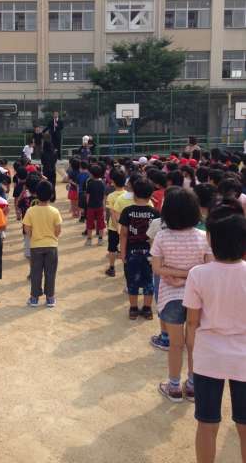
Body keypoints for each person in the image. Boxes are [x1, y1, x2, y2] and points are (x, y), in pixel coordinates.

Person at [184, 208, 246, 463]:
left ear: (210, 239)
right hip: (244, 358)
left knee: (207, 424)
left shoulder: (198, 274)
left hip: (209, 356)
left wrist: (192, 361)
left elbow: (192, 322)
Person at [151, 188, 213, 403]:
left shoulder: (162, 236)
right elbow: (208, 267)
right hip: (197, 297)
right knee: (194, 343)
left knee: (176, 344)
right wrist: (190, 276)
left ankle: (174, 386)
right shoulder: (203, 237)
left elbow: (157, 268)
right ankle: (194, 385)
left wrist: (177, 276)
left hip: (171, 296)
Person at [119, 178, 159, 320]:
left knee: (132, 280)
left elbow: (123, 234)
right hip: (151, 253)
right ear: (151, 194)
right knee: (149, 281)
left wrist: (122, 253)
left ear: (134, 194)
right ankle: (147, 309)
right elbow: (158, 236)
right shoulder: (155, 213)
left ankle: (133, 309)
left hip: (131, 252)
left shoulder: (127, 211)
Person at [23, 180, 62, 308]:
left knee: (36, 272)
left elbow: (27, 229)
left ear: (36, 194)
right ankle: (50, 298)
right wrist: (52, 237)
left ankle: (34, 298)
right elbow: (58, 230)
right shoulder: (55, 211)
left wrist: (34, 237)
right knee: (50, 273)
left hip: (36, 246)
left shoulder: (30, 211)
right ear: (51, 195)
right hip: (51, 246)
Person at [105, 169, 126, 277]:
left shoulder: (111, 196)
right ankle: (126, 269)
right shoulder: (127, 195)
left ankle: (112, 268)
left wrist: (116, 227)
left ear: (113, 182)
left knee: (112, 248)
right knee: (124, 247)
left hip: (113, 227)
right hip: (126, 227)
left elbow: (111, 213)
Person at [85, 164, 106, 246]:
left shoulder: (90, 183)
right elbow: (103, 196)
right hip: (100, 206)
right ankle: (100, 239)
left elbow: (88, 197)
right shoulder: (102, 183)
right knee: (101, 223)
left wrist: (88, 204)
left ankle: (89, 240)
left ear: (92, 174)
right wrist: (103, 206)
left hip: (91, 206)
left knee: (89, 223)